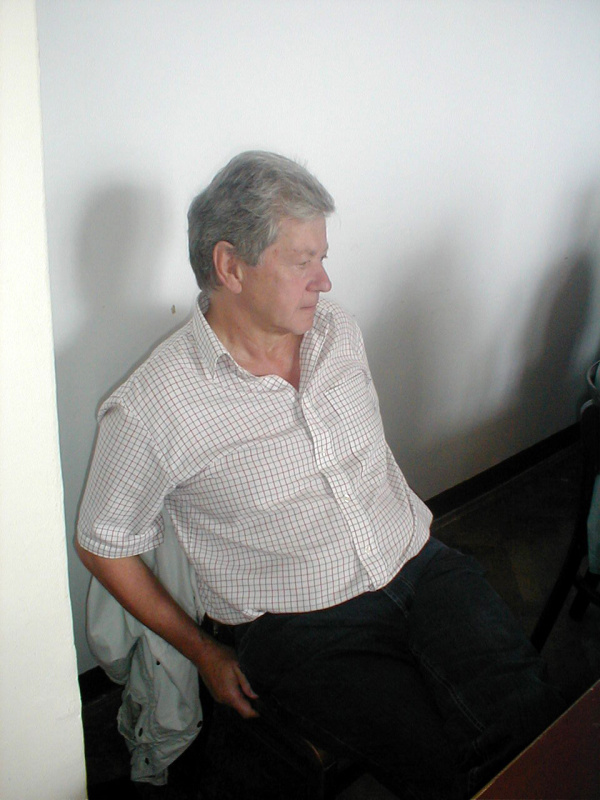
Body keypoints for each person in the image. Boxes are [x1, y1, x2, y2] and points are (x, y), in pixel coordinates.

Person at [76, 151, 563, 799]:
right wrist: (204, 652)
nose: (325, 281)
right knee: (446, 768)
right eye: (303, 261)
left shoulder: (339, 333)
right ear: (230, 266)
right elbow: (104, 542)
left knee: (533, 723)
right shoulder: (153, 406)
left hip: (419, 563)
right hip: (301, 625)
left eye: (322, 258)